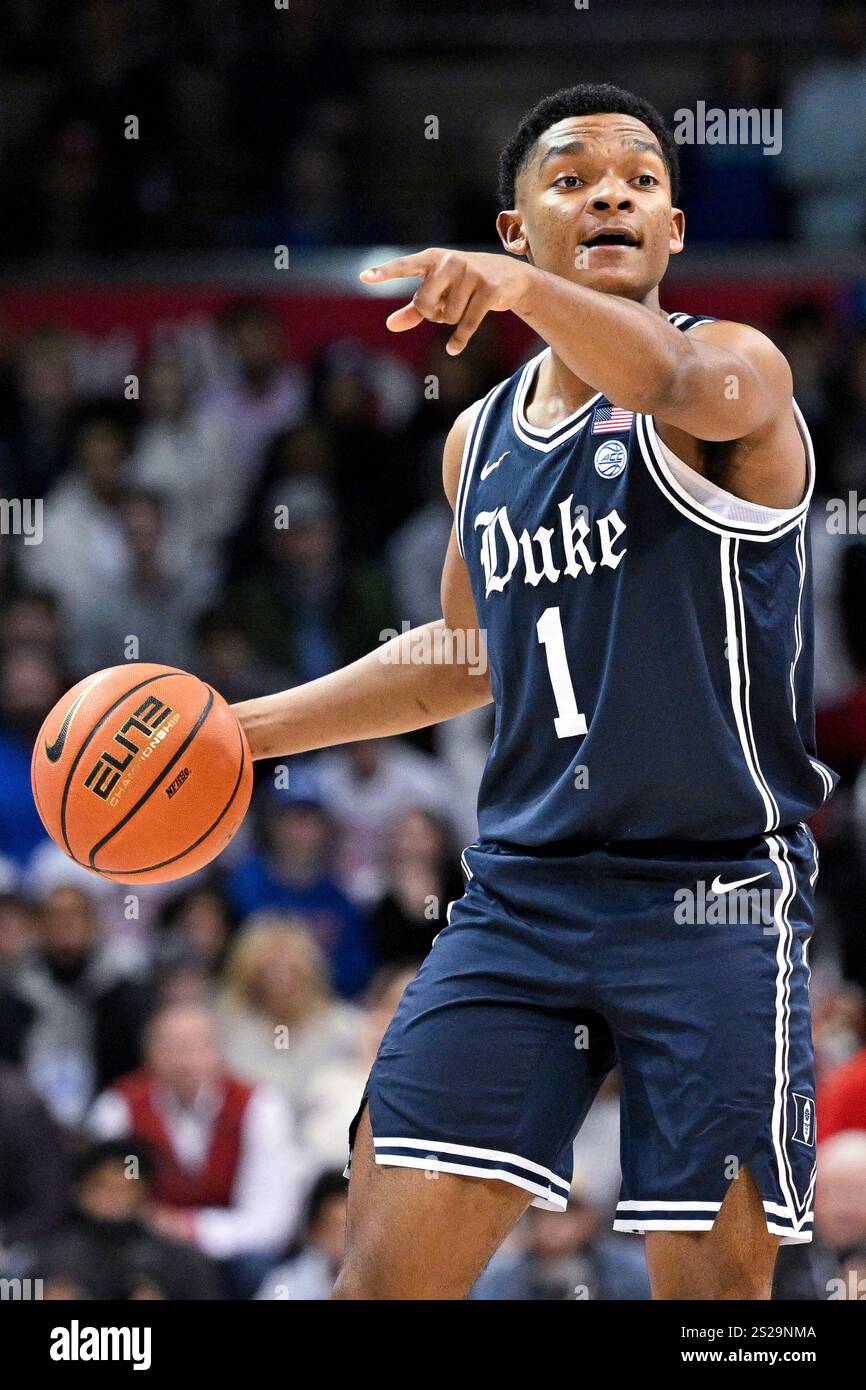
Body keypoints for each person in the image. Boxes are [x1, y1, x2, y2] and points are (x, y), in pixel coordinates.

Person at [231, 84, 837, 1300]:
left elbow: (662, 380)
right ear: (515, 229)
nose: (610, 191)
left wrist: (517, 301)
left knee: (717, 1311)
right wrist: (234, 729)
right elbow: (464, 656)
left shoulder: (732, 370)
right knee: (379, 1288)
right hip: (520, 894)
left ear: (671, 231)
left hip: (711, 891)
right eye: (570, 179)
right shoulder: (481, 442)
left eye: (640, 179)